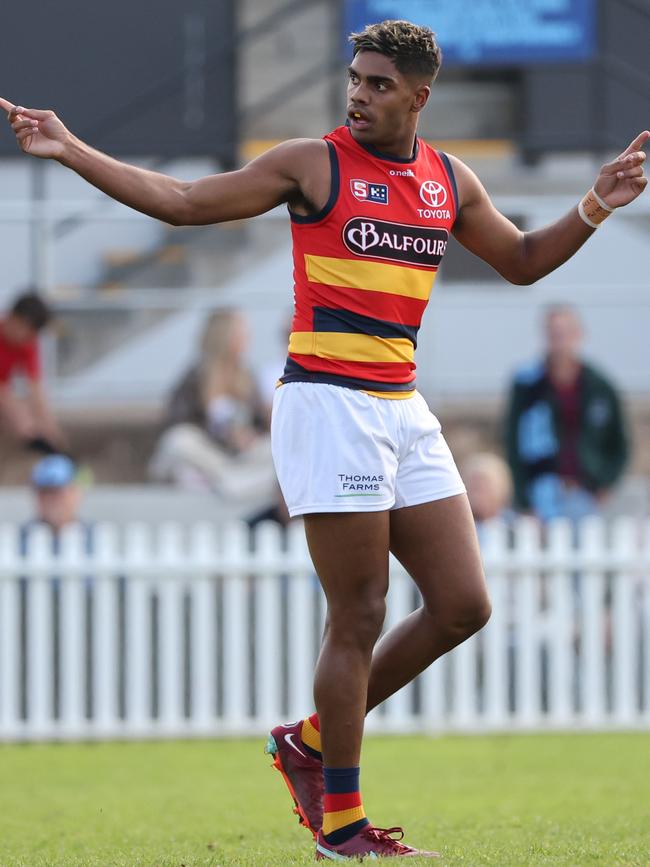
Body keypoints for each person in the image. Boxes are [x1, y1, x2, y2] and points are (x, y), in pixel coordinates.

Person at [2, 18, 647, 859]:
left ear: (420, 97)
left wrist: (596, 203)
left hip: (402, 407)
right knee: (361, 612)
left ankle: (308, 740)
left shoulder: (449, 179)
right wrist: (73, 149)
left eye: (379, 85)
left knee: (463, 603)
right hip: (328, 404)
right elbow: (188, 203)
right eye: (354, 79)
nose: (358, 95)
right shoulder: (314, 162)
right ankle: (341, 824)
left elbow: (522, 261)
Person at [505, 304, 630, 523]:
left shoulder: (599, 386)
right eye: (554, 334)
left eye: (566, 333)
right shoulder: (528, 385)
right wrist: (523, 499)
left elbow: (619, 443)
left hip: (586, 491)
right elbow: (513, 444)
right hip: (541, 491)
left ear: (579, 334)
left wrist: (605, 483)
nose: (560, 340)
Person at [148, 308, 278, 514]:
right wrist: (221, 434)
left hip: (239, 457)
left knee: (273, 449)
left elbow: (259, 423)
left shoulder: (246, 375)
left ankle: (230, 482)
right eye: (241, 334)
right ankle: (230, 481)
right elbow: (177, 421)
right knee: (178, 441)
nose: (247, 339)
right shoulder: (196, 375)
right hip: (210, 452)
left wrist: (248, 437)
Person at [0, 292, 66, 455]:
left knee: (29, 421)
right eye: (28, 331)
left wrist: (51, 429)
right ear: (14, 319)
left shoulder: (27, 344)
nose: (30, 338)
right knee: (18, 414)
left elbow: (36, 389)